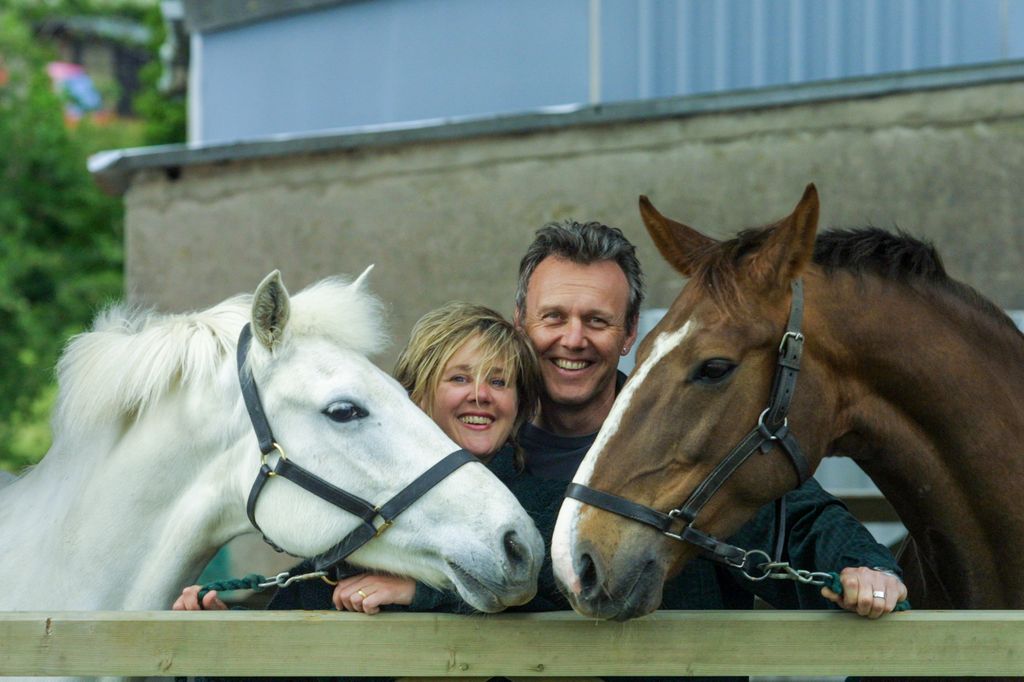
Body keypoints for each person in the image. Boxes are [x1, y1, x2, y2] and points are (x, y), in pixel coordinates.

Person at [511, 219, 907, 619]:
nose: (574, 339)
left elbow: (799, 522)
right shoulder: (485, 447)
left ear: (629, 332)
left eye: (597, 320)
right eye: (553, 317)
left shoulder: (688, 426)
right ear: (520, 323)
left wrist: (866, 569)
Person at [172, 301, 546, 613]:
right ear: (416, 395)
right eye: (459, 378)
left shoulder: (544, 503)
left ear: (519, 403)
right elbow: (301, 632)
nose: (480, 395)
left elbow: (557, 595)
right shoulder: (368, 514)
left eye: (499, 382)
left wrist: (420, 594)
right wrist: (223, 634)